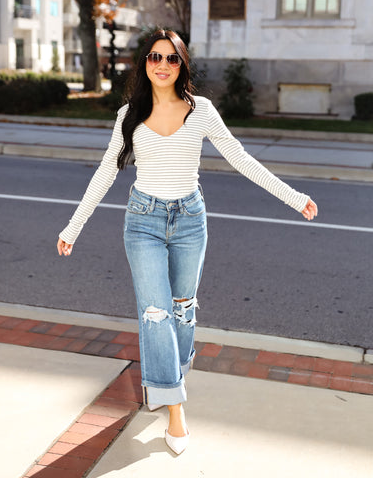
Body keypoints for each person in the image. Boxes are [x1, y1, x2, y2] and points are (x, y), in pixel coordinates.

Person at [57, 29, 318, 455]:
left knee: (181, 311)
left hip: (190, 221)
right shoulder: (129, 114)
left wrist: (293, 196)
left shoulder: (202, 111)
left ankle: (165, 380)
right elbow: (106, 171)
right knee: (155, 313)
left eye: (171, 58)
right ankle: (175, 407)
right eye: (154, 57)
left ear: (182, 65)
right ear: (144, 63)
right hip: (143, 221)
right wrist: (73, 226)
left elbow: (240, 158)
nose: (162, 65)